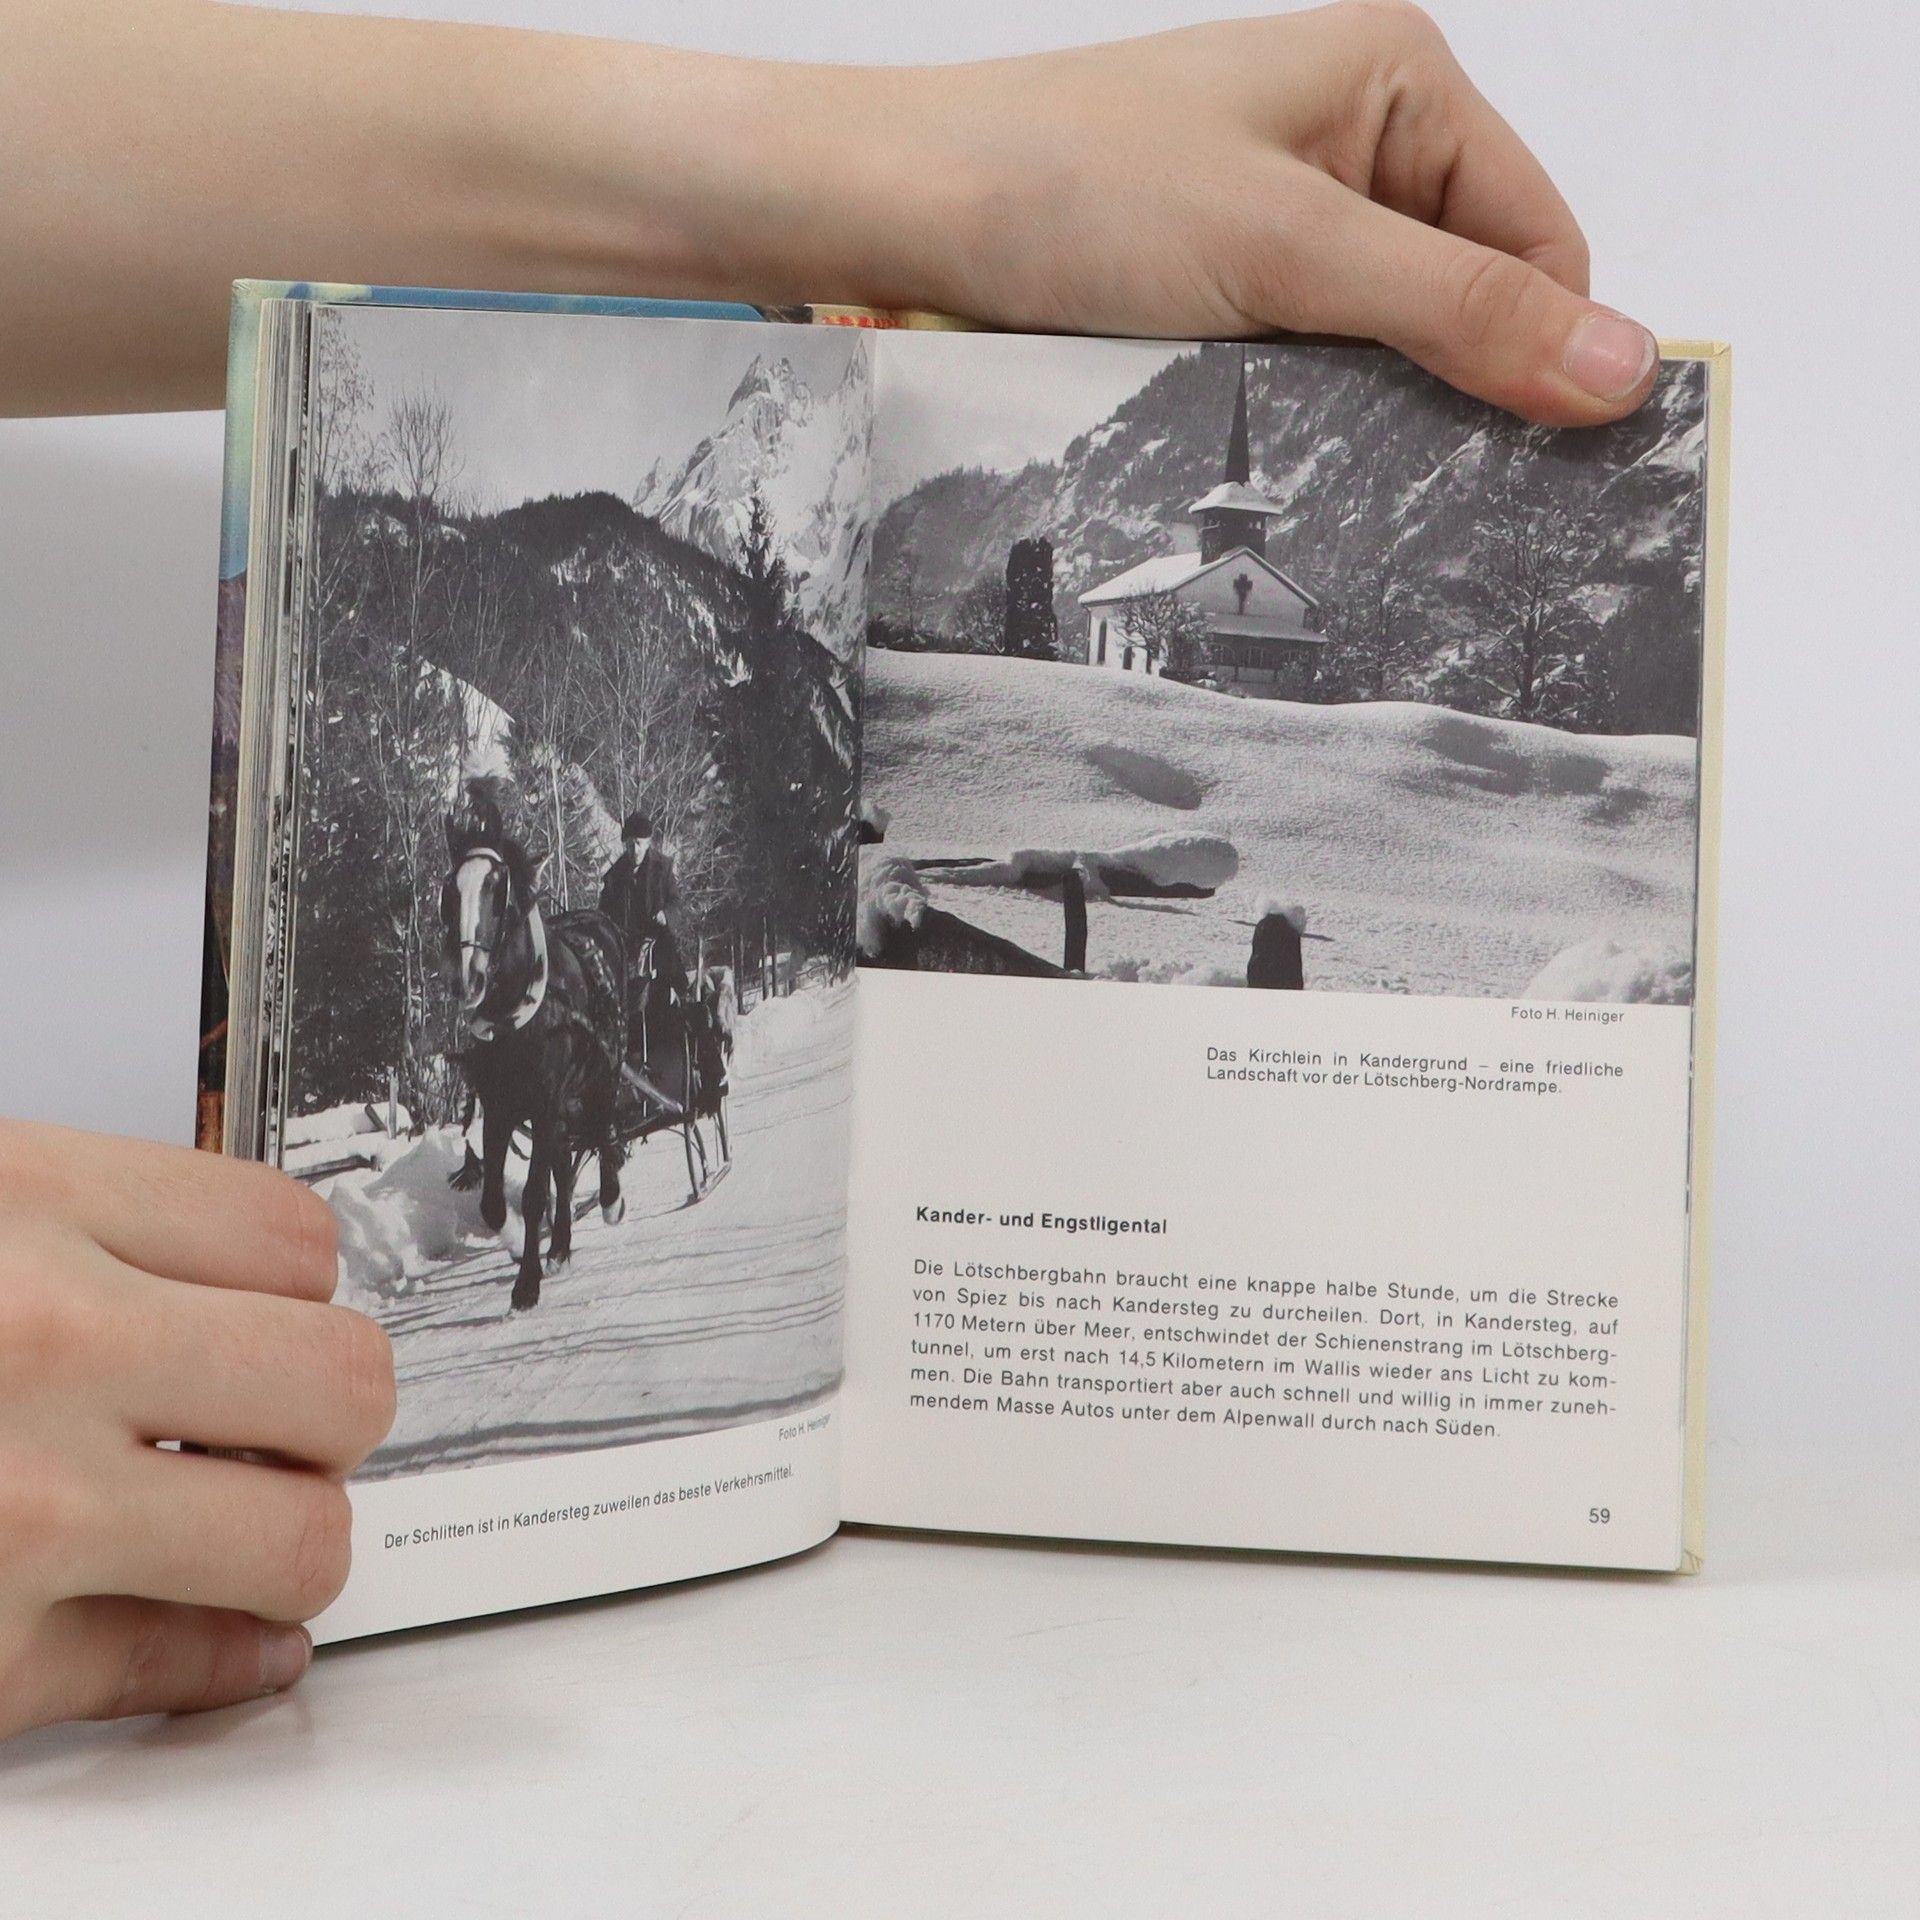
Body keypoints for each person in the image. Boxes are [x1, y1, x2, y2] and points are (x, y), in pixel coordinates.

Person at [0, 0, 1657, 1739]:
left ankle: (616, 1106)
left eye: (1240, 546)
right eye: (1224, 541)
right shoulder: (1119, 605)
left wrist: (916, 184)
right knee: (585, 969)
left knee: (640, 977)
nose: (1232, 551)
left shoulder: (1230, 610)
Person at [598, 811, 690, 1009]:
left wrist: (665, 915)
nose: (635, 850)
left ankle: (685, 997)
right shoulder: (614, 876)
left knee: (667, 950)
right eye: (630, 844)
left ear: (648, 843)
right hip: (625, 943)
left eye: (639, 844)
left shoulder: (662, 867)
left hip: (655, 938)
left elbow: (676, 902)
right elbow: (603, 914)